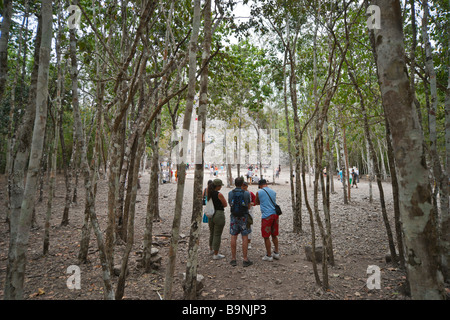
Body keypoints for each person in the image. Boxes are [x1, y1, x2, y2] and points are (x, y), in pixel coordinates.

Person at [228, 177, 253, 267]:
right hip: (244, 217)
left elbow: (230, 204)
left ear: (235, 183)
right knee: (244, 237)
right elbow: (249, 206)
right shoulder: (246, 193)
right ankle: (245, 259)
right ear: (242, 183)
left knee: (233, 236)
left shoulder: (230, 193)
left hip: (234, 217)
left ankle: (233, 259)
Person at [255, 179, 280, 262]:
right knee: (274, 235)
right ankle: (276, 252)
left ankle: (269, 255)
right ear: (266, 184)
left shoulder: (259, 192)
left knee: (266, 236)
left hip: (266, 216)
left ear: (260, 185)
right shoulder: (273, 192)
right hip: (275, 215)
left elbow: (256, 202)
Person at [207, 179, 228, 260]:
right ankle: (216, 254)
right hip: (218, 214)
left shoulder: (209, 192)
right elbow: (225, 204)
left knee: (212, 232)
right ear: (218, 186)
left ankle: (211, 249)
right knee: (217, 234)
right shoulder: (219, 194)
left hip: (210, 214)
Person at [242, 182, 255, 249]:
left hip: (249, 213)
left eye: (245, 186)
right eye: (243, 186)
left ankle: (249, 242)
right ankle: (244, 241)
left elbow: (255, 201)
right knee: (242, 228)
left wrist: (252, 203)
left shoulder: (251, 193)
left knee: (249, 227)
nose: (244, 187)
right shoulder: (240, 193)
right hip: (241, 213)